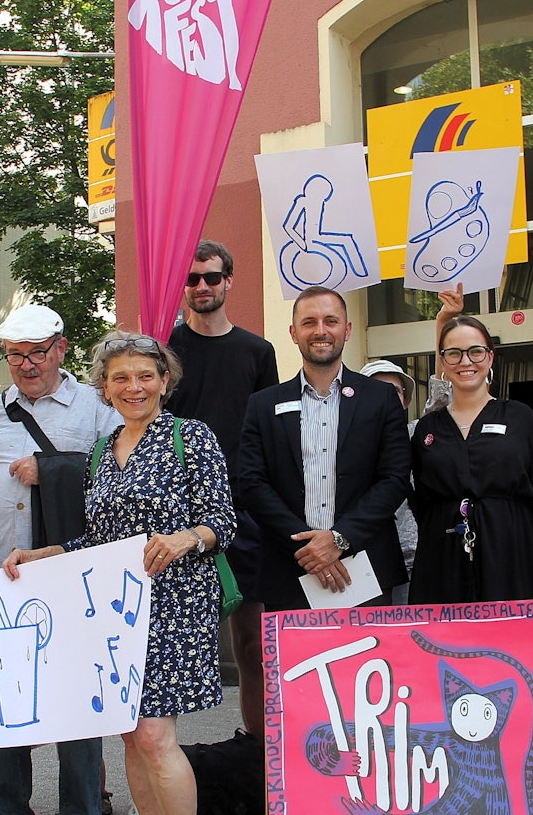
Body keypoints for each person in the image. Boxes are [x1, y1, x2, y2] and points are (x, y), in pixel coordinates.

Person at [3, 331, 234, 815]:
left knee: (152, 734)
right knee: (130, 733)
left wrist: (185, 538)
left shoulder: (191, 436)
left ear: (164, 381)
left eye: (145, 376)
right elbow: (97, 540)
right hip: (118, 609)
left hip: (176, 604)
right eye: (120, 378)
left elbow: (223, 521)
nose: (134, 387)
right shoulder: (100, 453)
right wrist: (41, 554)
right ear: (105, 388)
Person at [0, 304, 120, 815]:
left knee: (76, 709)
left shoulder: (97, 406)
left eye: (37, 353)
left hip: (70, 576)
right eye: (15, 355)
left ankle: (82, 808)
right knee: (1, 707)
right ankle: (7, 808)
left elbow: (119, 474)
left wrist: (52, 467)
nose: (27, 365)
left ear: (61, 349)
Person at [164, 239, 278, 734]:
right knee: (165, 648)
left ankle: (257, 752)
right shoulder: (163, 350)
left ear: (229, 280)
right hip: (176, 515)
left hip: (242, 514)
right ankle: (161, 753)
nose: (202, 286)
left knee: (252, 646)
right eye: (192, 278)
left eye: (212, 277)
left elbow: (268, 437)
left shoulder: (257, 351)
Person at [238, 286, 409, 611]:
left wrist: (340, 538)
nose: (320, 331)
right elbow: (252, 483)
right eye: (309, 322)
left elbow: (394, 479)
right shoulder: (263, 404)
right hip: (289, 570)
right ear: (293, 333)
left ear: (347, 330)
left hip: (365, 568)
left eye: (330, 321)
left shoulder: (380, 398)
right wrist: (309, 547)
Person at [407, 316, 533, 603]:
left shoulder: (520, 418)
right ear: (443, 361)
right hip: (442, 560)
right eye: (454, 353)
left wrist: (530, 554)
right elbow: (420, 501)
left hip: (511, 557)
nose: (466, 361)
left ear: (490, 357)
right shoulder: (428, 429)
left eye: (475, 351)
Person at [357, 359, 419, 605]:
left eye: (394, 391)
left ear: (405, 399)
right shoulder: (344, 444)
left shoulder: (417, 434)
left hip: (415, 556)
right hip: (364, 563)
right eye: (375, 390)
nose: (385, 398)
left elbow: (442, 401)